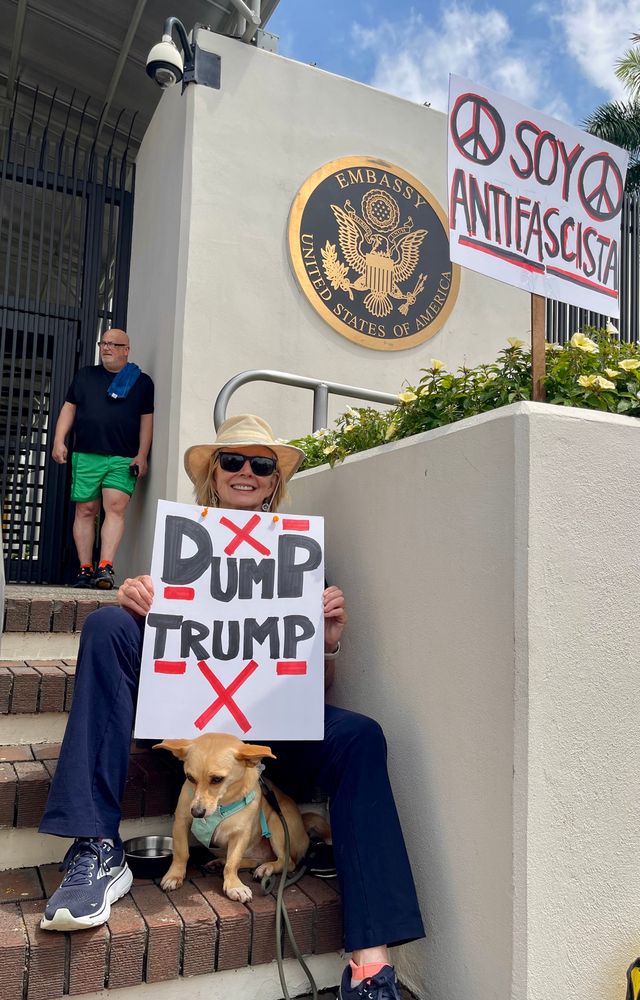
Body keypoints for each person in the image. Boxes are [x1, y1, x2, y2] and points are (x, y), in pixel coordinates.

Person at [39, 414, 424, 1000]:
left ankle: (371, 968)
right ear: (212, 475)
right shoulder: (180, 546)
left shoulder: (298, 559)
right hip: (193, 740)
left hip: (267, 739)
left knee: (361, 736)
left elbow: (310, 692)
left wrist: (327, 642)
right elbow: (156, 643)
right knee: (110, 626)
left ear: (274, 482)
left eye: (261, 464)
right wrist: (136, 598)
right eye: (232, 461)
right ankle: (94, 845)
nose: (246, 472)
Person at [51, 328, 154, 590]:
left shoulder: (141, 382)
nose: (106, 348)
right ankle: (85, 569)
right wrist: (58, 440)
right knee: (85, 510)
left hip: (123, 457)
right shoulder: (86, 375)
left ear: (126, 349)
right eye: (103, 343)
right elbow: (69, 408)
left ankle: (105, 567)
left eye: (113, 344)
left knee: (116, 506)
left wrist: (142, 454)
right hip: (86, 454)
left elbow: (146, 420)